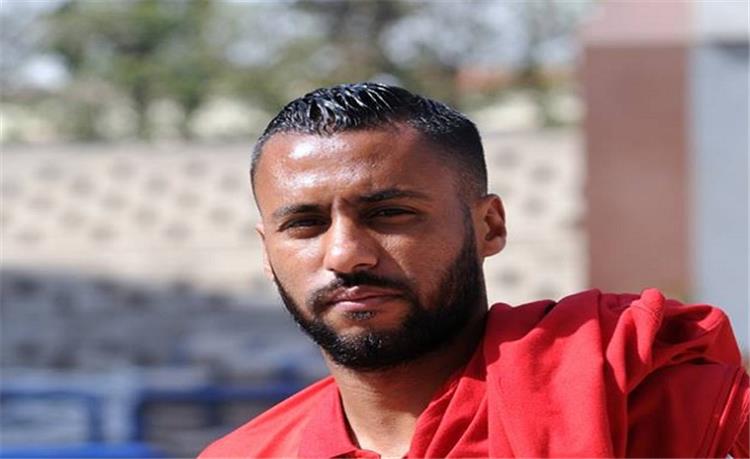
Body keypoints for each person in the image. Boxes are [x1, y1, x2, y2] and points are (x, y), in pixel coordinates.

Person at [199, 83, 749, 458]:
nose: (346, 255)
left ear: (490, 226)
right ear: (267, 251)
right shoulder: (248, 454)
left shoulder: (646, 403)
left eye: (390, 214)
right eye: (305, 224)